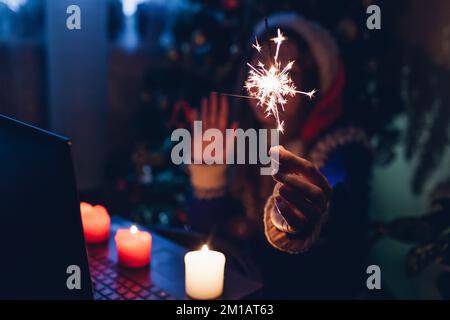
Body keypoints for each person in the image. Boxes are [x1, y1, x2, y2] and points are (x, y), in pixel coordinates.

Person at [186, 13, 372, 298]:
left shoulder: (338, 153)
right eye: (261, 69)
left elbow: (334, 248)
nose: (272, 86)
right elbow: (210, 245)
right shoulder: (244, 144)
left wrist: (304, 217)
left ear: (312, 83)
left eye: (291, 74)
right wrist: (208, 178)